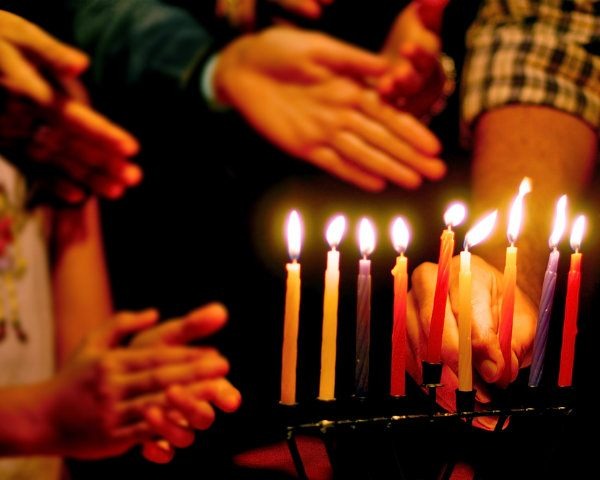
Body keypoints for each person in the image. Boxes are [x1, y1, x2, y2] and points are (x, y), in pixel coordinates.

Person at [0, 11, 241, 478]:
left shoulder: (41, 95)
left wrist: (128, 390)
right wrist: (37, 418)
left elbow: (79, 358)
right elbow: (48, 415)